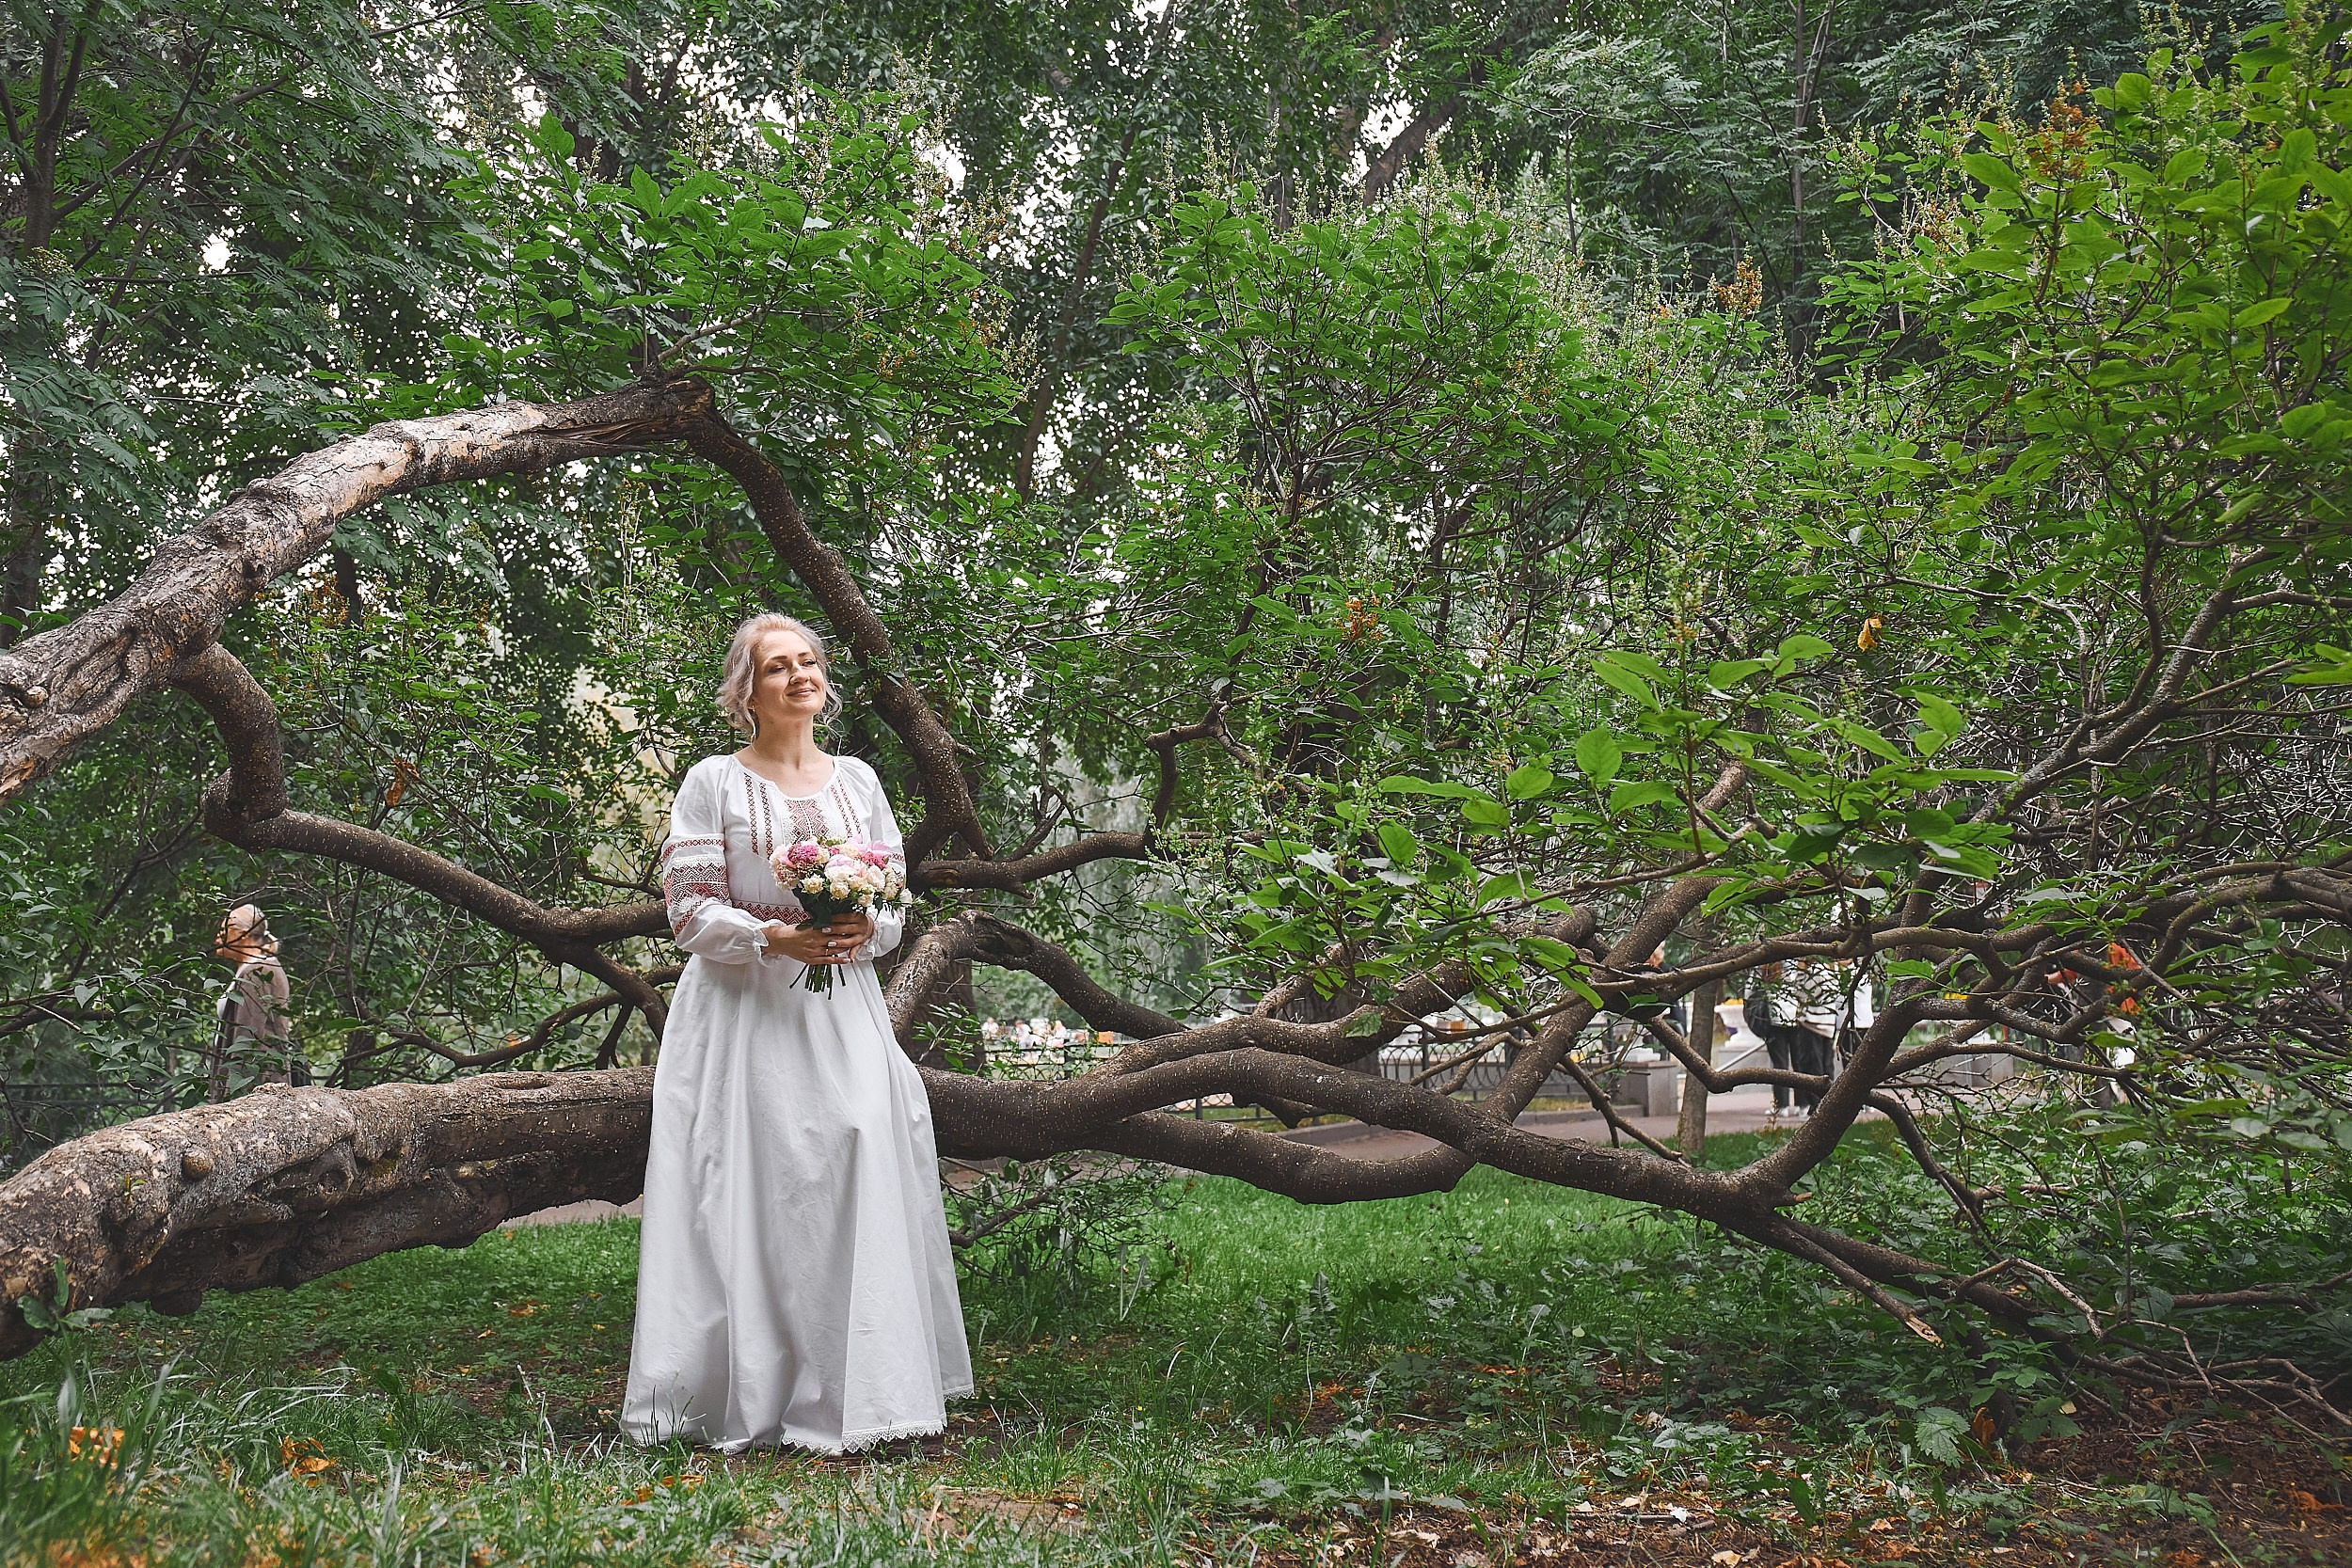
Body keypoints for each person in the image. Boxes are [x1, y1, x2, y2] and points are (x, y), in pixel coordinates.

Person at [623, 611, 971, 1454]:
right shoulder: (714, 782)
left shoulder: (857, 779)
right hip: (743, 1013)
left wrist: (865, 929)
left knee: (857, 1142)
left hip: (839, 1002)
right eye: (778, 666)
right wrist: (773, 937)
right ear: (747, 690)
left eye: (809, 662)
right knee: (752, 1187)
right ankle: (748, 1392)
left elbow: (893, 896)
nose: (800, 675)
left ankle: (860, 1387)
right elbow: (689, 909)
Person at [209, 904, 296, 1100]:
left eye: (224, 931)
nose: (217, 937)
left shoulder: (257, 972)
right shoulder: (255, 968)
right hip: (256, 1085)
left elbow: (247, 1039)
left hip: (256, 1087)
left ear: (244, 934)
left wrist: (234, 1094)